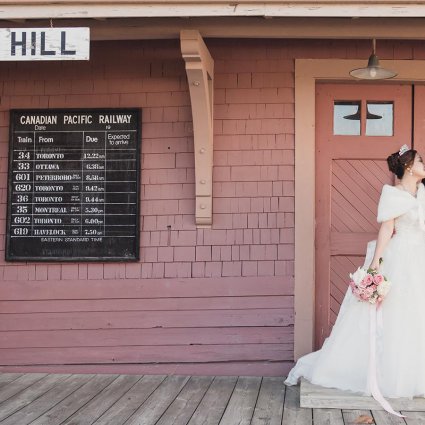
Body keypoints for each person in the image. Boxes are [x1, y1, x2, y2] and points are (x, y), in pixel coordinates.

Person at [285, 144, 425, 408]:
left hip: (421, 257)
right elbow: (387, 230)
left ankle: (417, 374)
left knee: (418, 313)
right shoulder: (394, 194)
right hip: (402, 256)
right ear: (408, 166)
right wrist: (374, 266)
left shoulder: (424, 193)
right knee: (396, 313)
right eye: (420, 160)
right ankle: (388, 373)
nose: (423, 165)